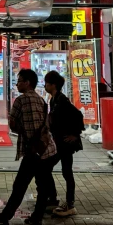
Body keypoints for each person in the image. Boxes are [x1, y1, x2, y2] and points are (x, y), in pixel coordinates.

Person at [0, 69, 58, 225]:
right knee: (42, 186)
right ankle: (36, 219)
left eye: (19, 81)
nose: (17, 84)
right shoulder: (41, 100)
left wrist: (24, 127)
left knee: (19, 186)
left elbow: (14, 126)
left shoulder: (20, 101)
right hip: (48, 149)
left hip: (33, 152)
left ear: (27, 83)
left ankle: (4, 219)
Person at [44, 70, 84, 217]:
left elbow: (78, 115)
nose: (45, 86)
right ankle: (57, 199)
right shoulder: (54, 99)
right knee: (61, 170)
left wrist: (75, 134)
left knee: (62, 170)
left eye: (46, 83)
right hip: (59, 141)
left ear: (53, 85)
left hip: (65, 143)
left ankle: (69, 204)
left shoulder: (62, 100)